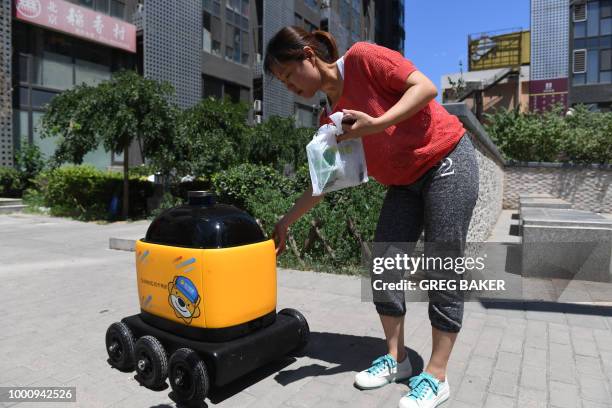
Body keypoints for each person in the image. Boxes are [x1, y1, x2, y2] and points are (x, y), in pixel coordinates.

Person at [265, 26, 479, 408]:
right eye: (282, 83)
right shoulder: (329, 118)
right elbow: (324, 183)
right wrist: (286, 221)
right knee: (384, 266)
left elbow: (425, 88)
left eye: (289, 75)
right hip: (404, 183)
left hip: (447, 158)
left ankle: (437, 374)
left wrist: (378, 124)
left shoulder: (364, 58)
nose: (290, 87)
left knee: (442, 263)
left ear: (309, 56)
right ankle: (397, 360)